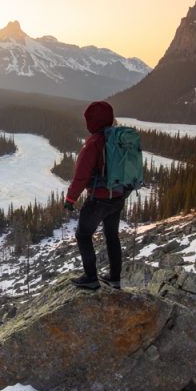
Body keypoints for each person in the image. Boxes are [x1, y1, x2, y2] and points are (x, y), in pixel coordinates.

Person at [64, 101, 125, 290]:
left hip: (99, 199)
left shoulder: (94, 142)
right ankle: (115, 278)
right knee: (112, 235)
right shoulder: (119, 137)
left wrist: (70, 198)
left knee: (83, 235)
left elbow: (81, 175)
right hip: (118, 196)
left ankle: (91, 277)